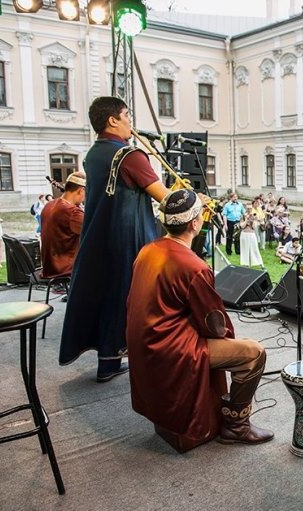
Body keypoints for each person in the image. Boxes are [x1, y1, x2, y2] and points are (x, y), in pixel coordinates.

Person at [126, 189, 273, 446]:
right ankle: (236, 426)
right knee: (254, 354)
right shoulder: (193, 266)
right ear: (195, 223)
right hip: (171, 350)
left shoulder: (147, 251)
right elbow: (213, 324)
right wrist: (229, 338)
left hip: (143, 345)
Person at [59, 96, 172, 382]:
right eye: (127, 116)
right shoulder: (129, 156)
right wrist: (195, 200)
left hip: (101, 237)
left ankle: (108, 362)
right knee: (135, 298)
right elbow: (165, 198)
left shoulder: (93, 154)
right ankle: (149, 356)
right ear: (113, 120)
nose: (130, 122)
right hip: (129, 240)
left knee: (111, 296)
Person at [39, 172, 86, 279]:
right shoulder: (72, 212)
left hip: (49, 266)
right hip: (65, 268)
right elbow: (93, 233)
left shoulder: (49, 205)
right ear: (81, 190)